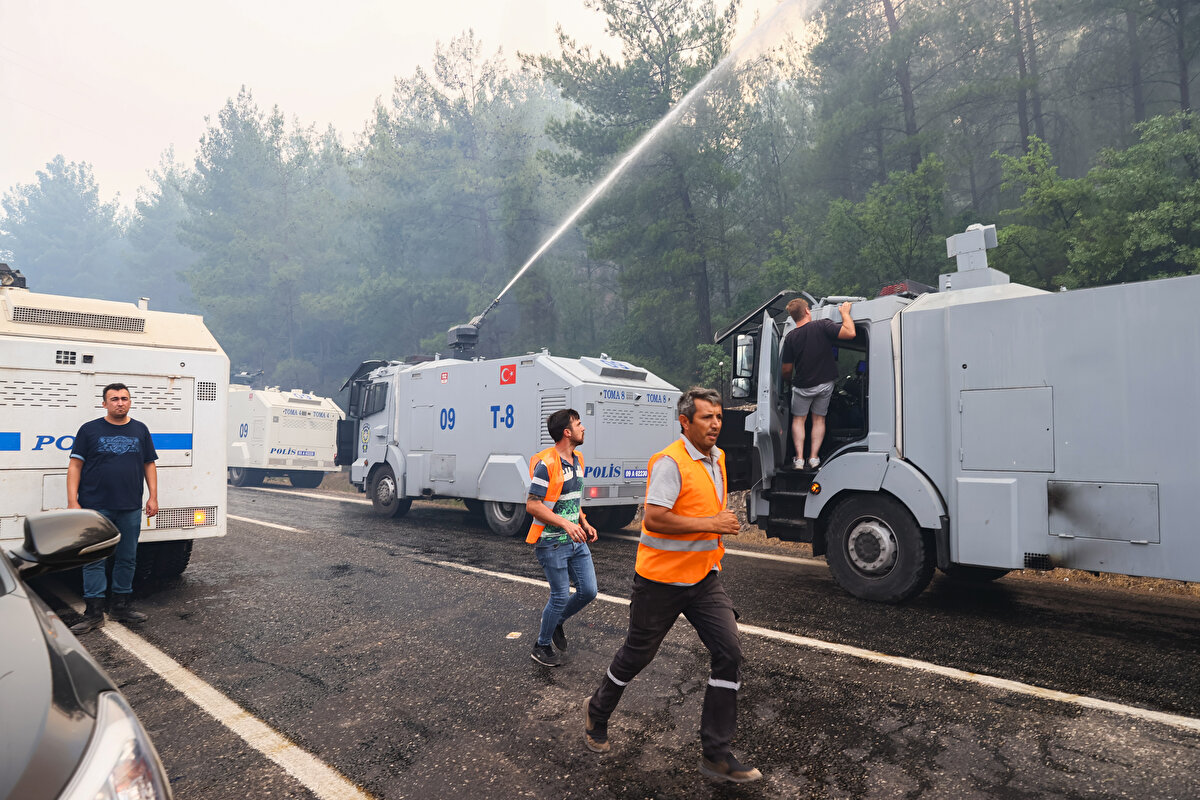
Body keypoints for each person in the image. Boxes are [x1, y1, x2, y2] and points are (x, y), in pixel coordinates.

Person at [584, 387, 762, 784]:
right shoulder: (670, 462)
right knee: (637, 656)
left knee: (729, 652)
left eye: (719, 416)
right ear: (685, 422)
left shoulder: (718, 459)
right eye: (707, 417)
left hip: (703, 578)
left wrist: (717, 525)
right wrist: (711, 524)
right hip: (660, 581)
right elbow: (655, 520)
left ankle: (716, 754)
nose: (716, 423)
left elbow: (705, 508)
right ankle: (597, 710)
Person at [67, 383, 158, 633]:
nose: (120, 402)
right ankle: (94, 613)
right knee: (95, 559)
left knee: (127, 558)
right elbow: (75, 466)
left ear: (130, 401)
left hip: (129, 506)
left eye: (124, 398)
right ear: (104, 403)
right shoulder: (89, 430)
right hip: (95, 506)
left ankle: (120, 606)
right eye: (114, 399)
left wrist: (153, 497)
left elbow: (149, 464)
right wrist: (73, 501)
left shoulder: (140, 430)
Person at [525, 408, 598, 667]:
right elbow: (533, 505)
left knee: (589, 591)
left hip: (575, 539)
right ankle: (541, 645)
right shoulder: (547, 464)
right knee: (559, 595)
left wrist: (584, 523)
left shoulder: (578, 460)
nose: (583, 428)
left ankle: (556, 622)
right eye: (579, 424)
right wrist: (566, 525)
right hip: (551, 541)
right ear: (567, 432)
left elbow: (571, 500)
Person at [780, 298, 856, 470]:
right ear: (807, 311)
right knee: (819, 420)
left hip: (802, 387)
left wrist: (790, 382)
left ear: (793, 318)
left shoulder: (790, 338)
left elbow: (786, 370)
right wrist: (845, 313)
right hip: (825, 385)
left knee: (799, 420)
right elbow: (850, 333)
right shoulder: (822, 325)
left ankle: (799, 459)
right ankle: (814, 458)